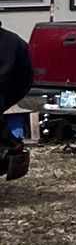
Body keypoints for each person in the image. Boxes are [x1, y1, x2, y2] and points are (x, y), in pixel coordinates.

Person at [0, 24, 32, 184]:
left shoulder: (13, 42)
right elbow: (25, 81)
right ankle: (11, 146)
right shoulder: (15, 41)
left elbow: (24, 79)